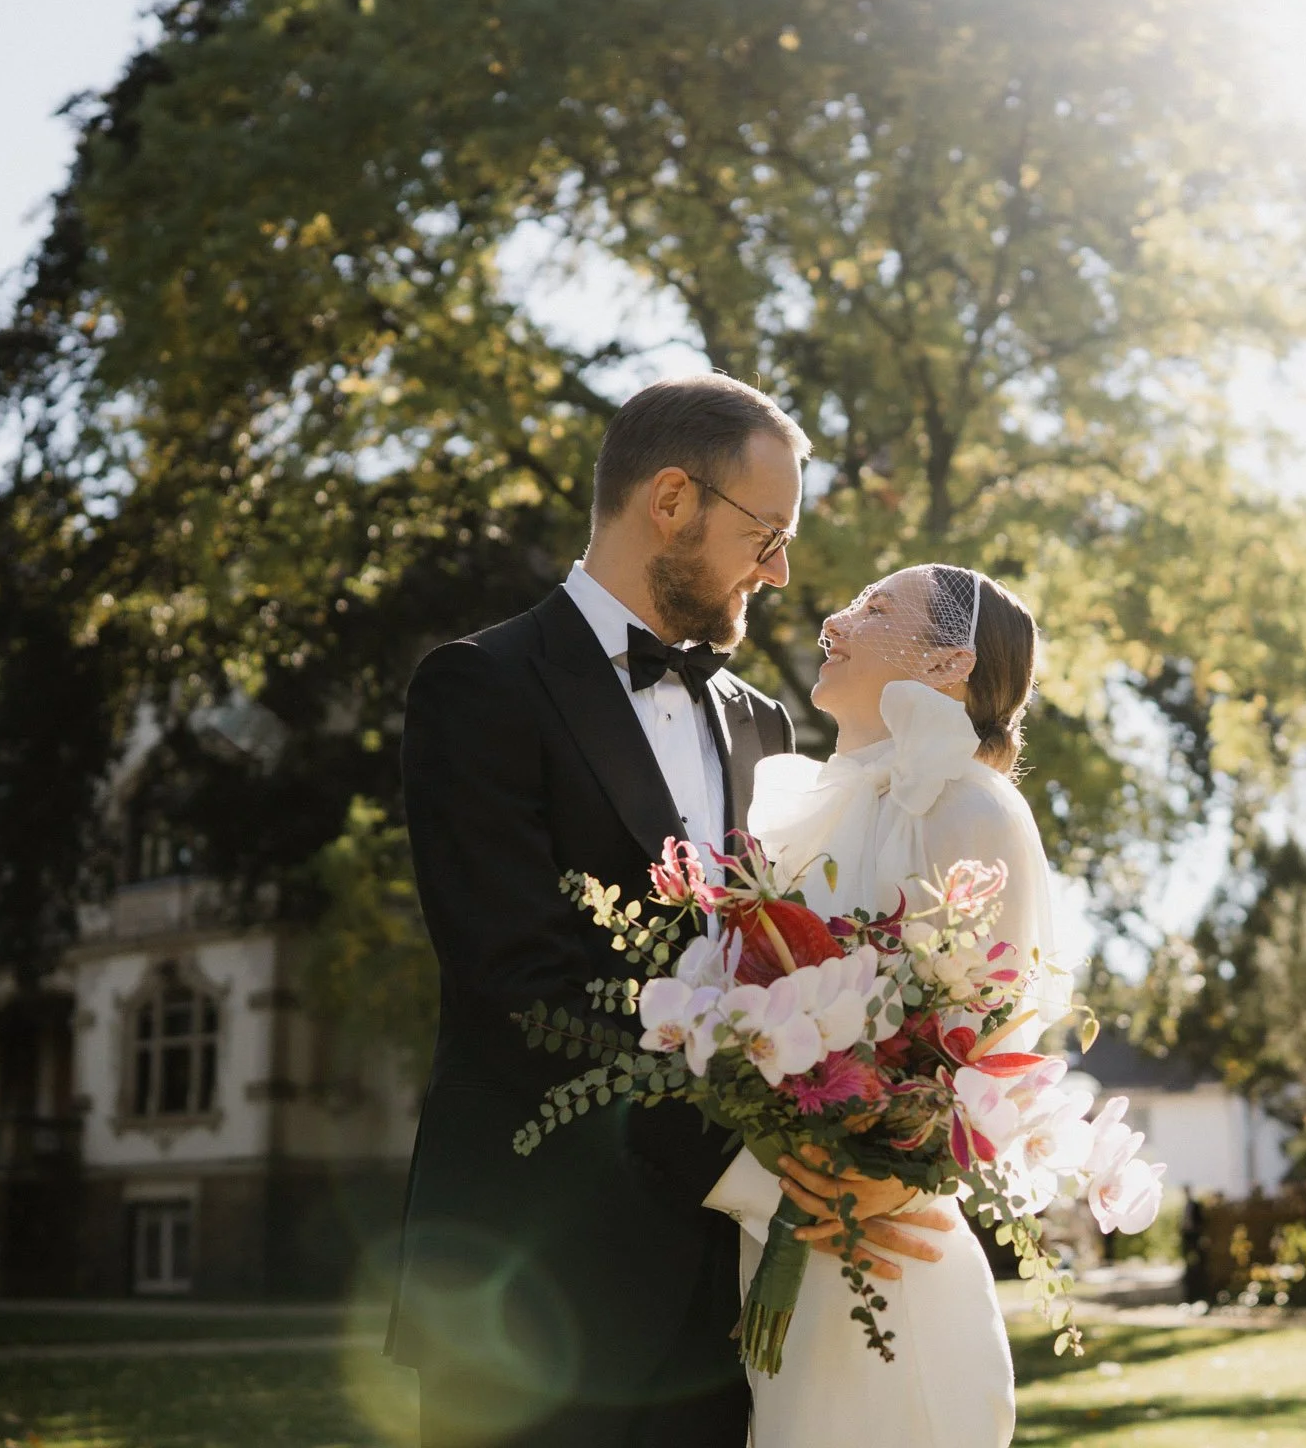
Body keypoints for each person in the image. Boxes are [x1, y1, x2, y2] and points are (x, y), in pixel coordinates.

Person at [386, 375, 945, 1447]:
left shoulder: (762, 724)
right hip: (521, 1289)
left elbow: (781, 968)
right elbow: (519, 988)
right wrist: (763, 1176)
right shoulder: (478, 686)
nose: (779, 571)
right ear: (673, 500)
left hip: (720, 1301)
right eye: (766, 534)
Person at [705, 562, 1051, 1448]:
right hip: (783, 1233)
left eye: (876, 607)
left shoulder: (972, 810)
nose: (836, 619)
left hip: (890, 1257)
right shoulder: (813, 809)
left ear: (947, 664)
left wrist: (887, 1178)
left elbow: (995, 1044)